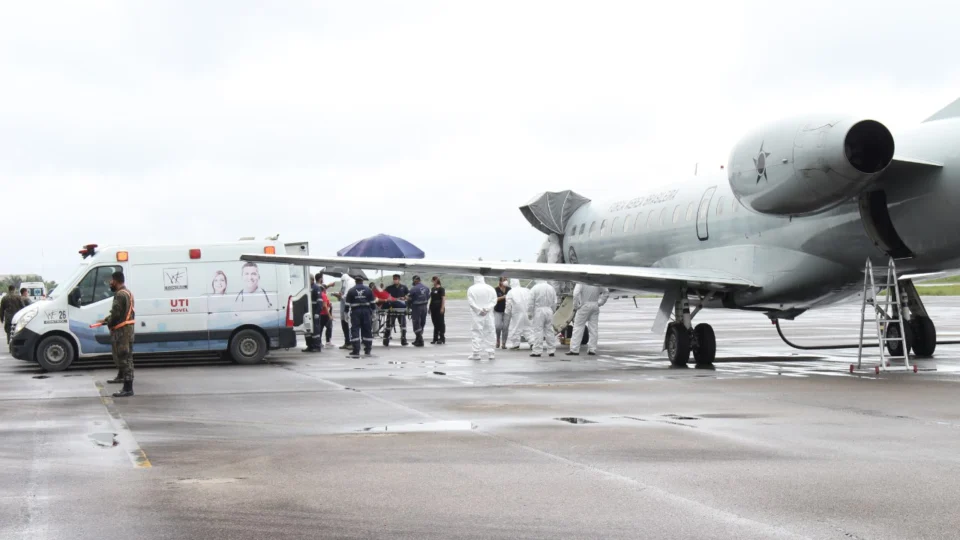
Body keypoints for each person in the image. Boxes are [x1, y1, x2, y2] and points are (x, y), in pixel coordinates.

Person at [101, 271, 136, 398]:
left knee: (123, 358)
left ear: (115, 281)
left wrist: (109, 322)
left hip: (122, 332)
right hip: (129, 330)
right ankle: (127, 385)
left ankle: (127, 389)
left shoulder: (120, 295)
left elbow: (116, 314)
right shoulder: (128, 293)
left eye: (111, 281)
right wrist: (107, 319)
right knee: (128, 358)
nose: (110, 283)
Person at [566, 283, 610, 357]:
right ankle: (592, 349)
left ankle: (574, 349)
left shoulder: (581, 281)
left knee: (578, 327)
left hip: (584, 305)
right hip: (595, 305)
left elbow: (576, 293)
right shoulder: (597, 280)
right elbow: (606, 292)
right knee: (593, 328)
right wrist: (600, 302)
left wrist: (576, 305)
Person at [345, 275, 376, 358]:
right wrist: (374, 312)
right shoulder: (368, 290)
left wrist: (345, 313)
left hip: (356, 312)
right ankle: (368, 349)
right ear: (362, 281)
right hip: (366, 312)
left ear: (355, 281)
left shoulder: (351, 290)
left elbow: (347, 304)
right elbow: (373, 303)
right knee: (367, 330)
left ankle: (356, 350)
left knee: (355, 329)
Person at [467, 275, 497, 360]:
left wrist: (479, 310)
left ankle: (476, 353)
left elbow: (471, 302)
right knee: (490, 332)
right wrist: (487, 309)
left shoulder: (471, 289)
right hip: (488, 314)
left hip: (477, 315)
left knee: (476, 332)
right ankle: (491, 353)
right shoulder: (490, 288)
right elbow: (494, 300)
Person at [529, 280, 558, 358]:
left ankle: (537, 351)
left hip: (539, 310)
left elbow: (531, 302)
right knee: (549, 330)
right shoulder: (551, 288)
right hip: (549, 310)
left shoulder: (535, 288)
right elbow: (555, 301)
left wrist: (530, 313)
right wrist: (553, 310)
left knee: (538, 331)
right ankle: (551, 350)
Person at [504, 279, 533, 349]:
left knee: (515, 328)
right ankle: (532, 342)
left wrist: (507, 312)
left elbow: (508, 303)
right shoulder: (526, 290)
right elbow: (531, 300)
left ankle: (516, 344)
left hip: (516, 314)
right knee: (528, 327)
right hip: (526, 312)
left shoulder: (511, 292)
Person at [384, 274, 410, 346]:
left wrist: (405, 297)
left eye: (396, 279)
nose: (395, 280)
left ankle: (403, 339)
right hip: (392, 308)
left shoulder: (404, 287)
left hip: (401, 309)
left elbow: (408, 296)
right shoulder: (389, 288)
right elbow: (384, 294)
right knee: (389, 324)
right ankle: (386, 339)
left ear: (399, 279)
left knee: (403, 324)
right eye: (394, 279)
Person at [407, 275, 431, 347]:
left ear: (415, 280)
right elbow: (428, 296)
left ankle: (420, 340)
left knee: (416, 323)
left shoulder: (413, 289)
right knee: (422, 323)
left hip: (416, 308)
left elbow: (409, 299)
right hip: (424, 307)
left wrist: (408, 306)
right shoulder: (426, 288)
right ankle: (417, 340)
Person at [334, 273, 356, 349]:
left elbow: (347, 296)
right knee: (344, 324)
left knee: (349, 325)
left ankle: (350, 342)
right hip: (343, 309)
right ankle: (347, 341)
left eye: (343, 281)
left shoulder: (350, 283)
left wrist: (340, 296)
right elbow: (343, 295)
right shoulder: (344, 284)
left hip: (349, 309)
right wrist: (339, 295)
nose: (342, 282)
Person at [303, 274, 323, 353]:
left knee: (315, 330)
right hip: (307, 312)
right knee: (307, 330)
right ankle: (310, 345)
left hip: (314, 311)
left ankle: (317, 346)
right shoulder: (306, 288)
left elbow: (320, 302)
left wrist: (317, 312)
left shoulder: (316, 288)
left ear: (311, 280)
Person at [494, 277, 511, 349]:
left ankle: (504, 343)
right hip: (498, 310)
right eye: (504, 280)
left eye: (506, 280)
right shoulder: (496, 289)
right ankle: (498, 339)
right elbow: (494, 299)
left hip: (507, 311)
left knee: (505, 327)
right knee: (497, 326)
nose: (506, 281)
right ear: (500, 282)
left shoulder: (509, 289)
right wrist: (503, 297)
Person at [429, 276, 446, 344]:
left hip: (439, 307)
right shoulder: (433, 289)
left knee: (440, 323)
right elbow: (432, 299)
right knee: (435, 323)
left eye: (433, 281)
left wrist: (442, 308)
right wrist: (430, 308)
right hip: (433, 307)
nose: (433, 282)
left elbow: (443, 299)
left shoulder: (441, 289)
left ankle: (441, 338)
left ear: (436, 281)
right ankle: (435, 338)